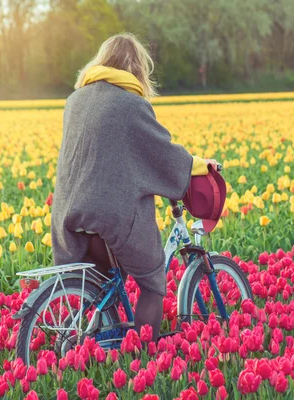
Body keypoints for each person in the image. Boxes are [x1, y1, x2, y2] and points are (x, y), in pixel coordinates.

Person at [51, 33, 218, 342]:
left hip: (68, 212)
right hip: (108, 214)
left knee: (107, 280)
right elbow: (161, 153)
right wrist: (198, 164)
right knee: (153, 282)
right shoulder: (131, 104)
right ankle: (143, 357)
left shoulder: (74, 100)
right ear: (137, 67)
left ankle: (101, 336)